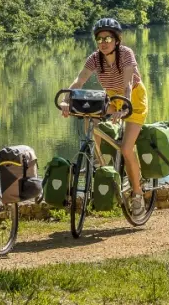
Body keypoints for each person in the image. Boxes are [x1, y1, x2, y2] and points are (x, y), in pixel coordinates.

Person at [62, 18, 148, 219]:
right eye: (99, 38)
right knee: (91, 120)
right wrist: (67, 100)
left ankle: (137, 194)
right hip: (111, 96)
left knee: (126, 148)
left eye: (108, 37)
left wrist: (124, 106)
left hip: (133, 97)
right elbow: (79, 80)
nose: (103, 42)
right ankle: (102, 165)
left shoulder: (126, 54)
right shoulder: (95, 58)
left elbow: (127, 84)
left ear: (117, 40)